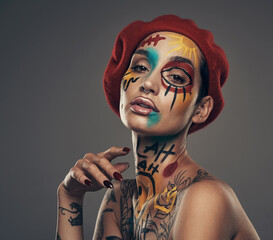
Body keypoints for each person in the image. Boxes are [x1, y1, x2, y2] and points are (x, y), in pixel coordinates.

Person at [56, 15, 260, 240]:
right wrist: (70, 196)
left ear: (201, 109)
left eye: (176, 77)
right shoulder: (120, 198)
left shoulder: (205, 196)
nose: (148, 83)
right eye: (141, 67)